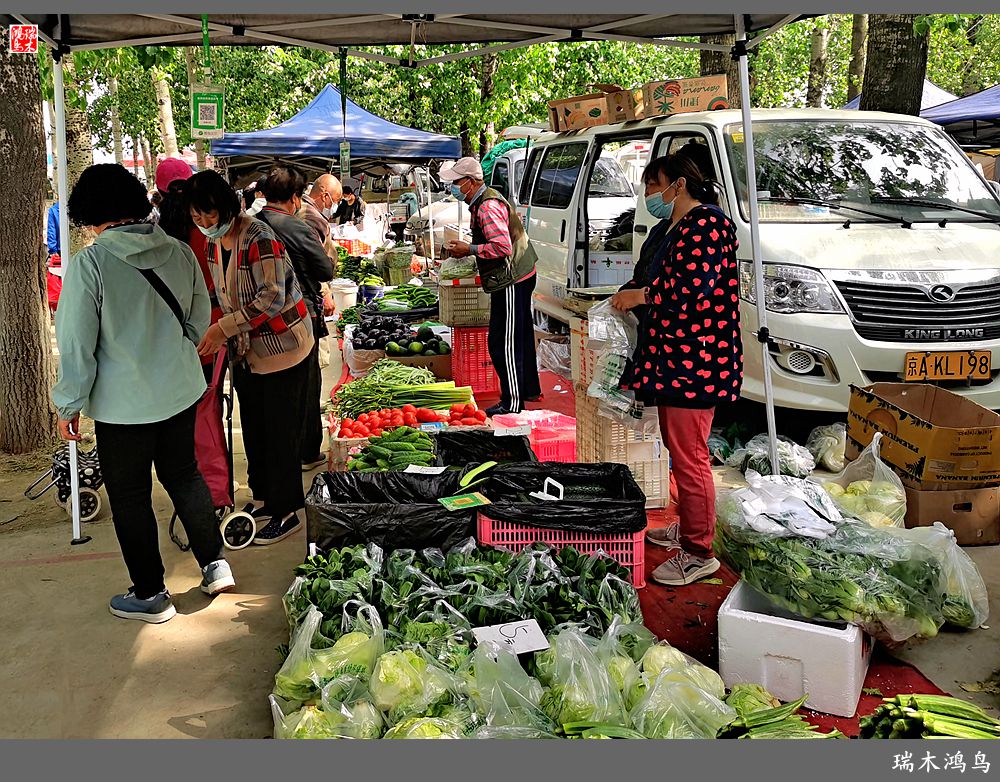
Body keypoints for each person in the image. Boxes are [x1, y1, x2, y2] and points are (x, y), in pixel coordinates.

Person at [52, 163, 235, 624]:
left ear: (90, 214)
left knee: (131, 496)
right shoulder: (178, 251)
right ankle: (215, 564)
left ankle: (151, 593)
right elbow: (197, 320)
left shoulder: (91, 264)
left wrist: (69, 402)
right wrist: (174, 352)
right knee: (185, 475)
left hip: (123, 406)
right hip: (178, 390)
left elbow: (76, 343)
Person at [610, 153, 743, 587]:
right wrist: (625, 293)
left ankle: (700, 551)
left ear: (678, 184)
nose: (649, 194)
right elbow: (648, 275)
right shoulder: (671, 227)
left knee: (690, 456)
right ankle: (688, 526)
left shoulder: (708, 225)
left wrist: (641, 296)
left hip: (698, 359)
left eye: (653, 185)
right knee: (677, 448)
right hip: (671, 358)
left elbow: (691, 289)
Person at [186, 170, 314, 545]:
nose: (205, 222)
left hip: (284, 349)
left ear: (228, 207)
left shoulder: (259, 237)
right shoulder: (213, 243)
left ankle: (287, 511)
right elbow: (221, 293)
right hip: (247, 352)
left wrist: (224, 328)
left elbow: (272, 297)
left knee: (280, 433)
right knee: (255, 429)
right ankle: (264, 500)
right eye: (197, 217)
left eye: (210, 214)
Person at [439, 157, 540, 416]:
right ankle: (529, 388)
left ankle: (512, 402)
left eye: (456, 182)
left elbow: (502, 247)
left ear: (471, 182)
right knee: (519, 335)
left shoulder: (486, 206)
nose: (453, 187)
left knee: (503, 341)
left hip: (512, 278)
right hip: (519, 273)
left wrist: (470, 249)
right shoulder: (483, 201)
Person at [257, 164, 335, 471]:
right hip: (299, 315)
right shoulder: (295, 225)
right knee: (305, 385)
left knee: (273, 389)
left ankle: (276, 452)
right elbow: (325, 270)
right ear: (294, 198)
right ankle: (306, 452)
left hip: (261, 319)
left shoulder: (252, 224)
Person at [156, 157, 223, 383]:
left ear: (159, 193)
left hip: (169, 329)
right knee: (208, 394)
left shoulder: (153, 238)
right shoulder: (211, 234)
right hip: (210, 327)